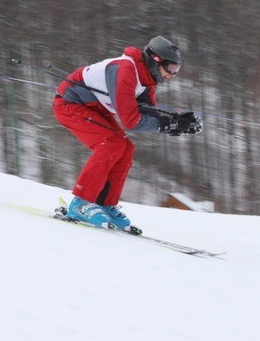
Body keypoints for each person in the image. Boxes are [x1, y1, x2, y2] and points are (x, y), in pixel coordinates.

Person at [52, 36, 202, 229]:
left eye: (176, 70)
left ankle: (104, 203)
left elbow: (149, 114)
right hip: (69, 104)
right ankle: (80, 203)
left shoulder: (147, 80)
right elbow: (132, 121)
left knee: (126, 149)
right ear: (155, 61)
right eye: (171, 69)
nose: (173, 75)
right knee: (111, 144)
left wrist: (177, 122)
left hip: (94, 108)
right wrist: (169, 125)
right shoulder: (127, 71)